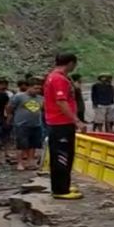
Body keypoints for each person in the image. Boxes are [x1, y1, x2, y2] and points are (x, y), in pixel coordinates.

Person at [44, 53, 84, 200]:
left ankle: (62, 185)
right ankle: (60, 190)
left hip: (59, 123)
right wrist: (76, 121)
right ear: (71, 63)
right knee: (62, 156)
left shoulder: (54, 76)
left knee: (63, 155)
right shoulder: (59, 79)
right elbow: (61, 102)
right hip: (61, 123)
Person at [7, 78, 44, 171]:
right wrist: (9, 118)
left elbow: (43, 109)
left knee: (33, 144)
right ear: (29, 87)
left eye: (39, 89)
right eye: (35, 88)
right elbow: (10, 107)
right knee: (21, 144)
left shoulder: (40, 98)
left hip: (36, 124)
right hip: (21, 124)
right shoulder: (19, 97)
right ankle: (20, 162)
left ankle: (30, 161)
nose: (37, 91)